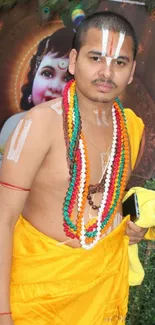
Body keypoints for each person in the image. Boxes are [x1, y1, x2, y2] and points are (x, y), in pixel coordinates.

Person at [0, 11, 154, 325]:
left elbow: (104, 198)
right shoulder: (39, 125)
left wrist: (128, 226)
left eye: (119, 62)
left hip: (102, 292)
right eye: (96, 58)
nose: (107, 72)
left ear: (132, 70)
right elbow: (2, 220)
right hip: (39, 300)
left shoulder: (129, 127)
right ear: (74, 61)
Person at [0, 27, 74, 163]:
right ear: (34, 75)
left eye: (67, 79)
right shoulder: (14, 124)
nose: (54, 87)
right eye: (47, 73)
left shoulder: (79, 137)